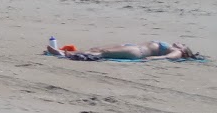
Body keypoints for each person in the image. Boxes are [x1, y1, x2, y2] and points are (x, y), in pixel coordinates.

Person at [44, 40, 201, 61]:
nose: (179, 43)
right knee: (97, 48)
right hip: (133, 47)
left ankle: (64, 55)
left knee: (103, 53)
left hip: (137, 53)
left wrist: (154, 59)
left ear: (184, 49)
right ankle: (66, 53)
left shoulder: (178, 51)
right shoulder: (174, 47)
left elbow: (170, 58)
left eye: (183, 44)